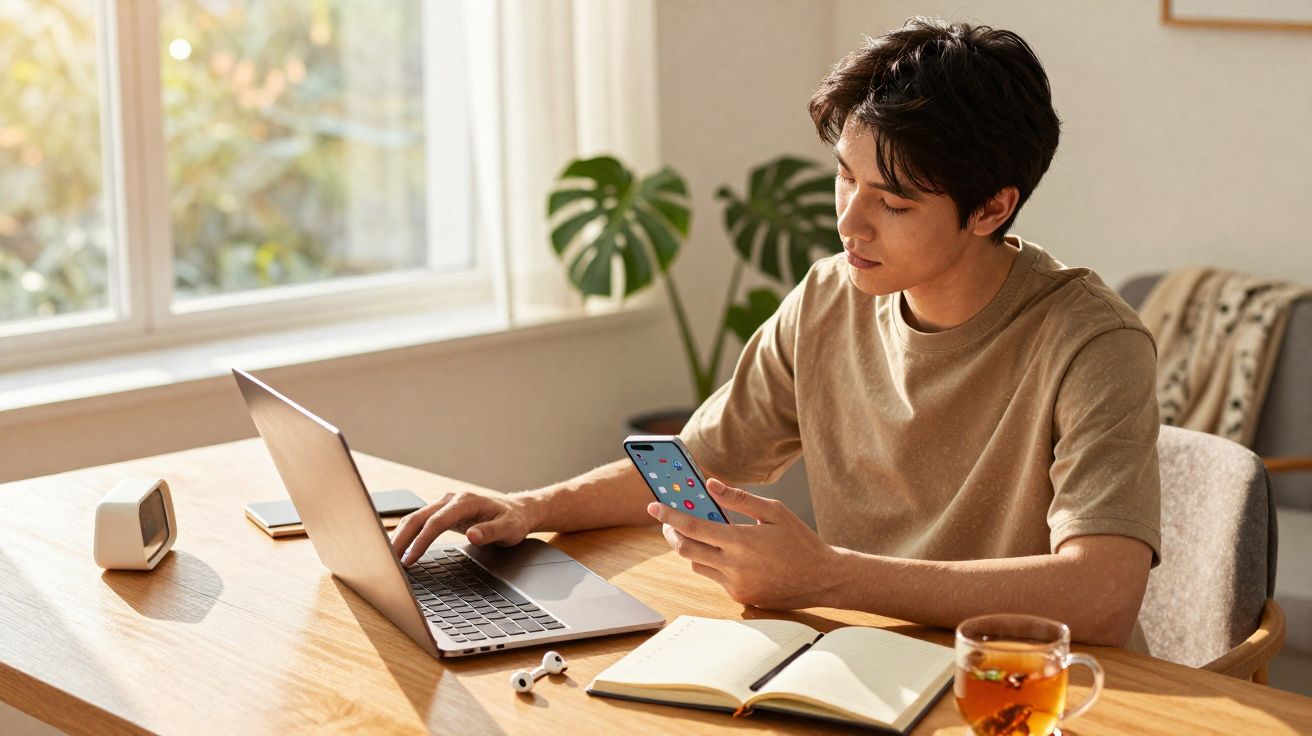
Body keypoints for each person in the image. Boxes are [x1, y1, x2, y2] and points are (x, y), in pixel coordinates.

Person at [390, 17, 1161, 650]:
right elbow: (696, 462)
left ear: (992, 208)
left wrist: (827, 575)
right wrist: (530, 506)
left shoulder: (1091, 343)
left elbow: (1101, 595)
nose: (849, 221)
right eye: (843, 177)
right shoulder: (831, 295)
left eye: (891, 202)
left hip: (1021, 687)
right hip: (862, 659)